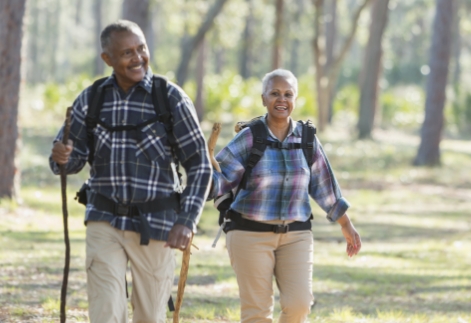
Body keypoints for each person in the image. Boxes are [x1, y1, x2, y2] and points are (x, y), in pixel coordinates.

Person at [49, 20, 212, 323]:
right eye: (126, 52)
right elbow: (70, 161)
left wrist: (187, 221)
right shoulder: (91, 98)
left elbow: (200, 165)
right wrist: (61, 156)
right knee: (105, 311)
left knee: (150, 315)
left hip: (156, 225)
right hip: (104, 220)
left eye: (141, 49)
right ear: (107, 59)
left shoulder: (170, 98)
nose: (137, 58)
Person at [208, 69, 361, 323]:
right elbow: (220, 179)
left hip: (296, 235)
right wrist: (197, 181)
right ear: (263, 99)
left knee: (299, 306)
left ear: (295, 99)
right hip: (249, 233)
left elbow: (324, 185)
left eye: (288, 94)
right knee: (257, 312)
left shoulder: (307, 139)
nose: (282, 99)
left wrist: (346, 224)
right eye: (275, 93)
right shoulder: (249, 137)